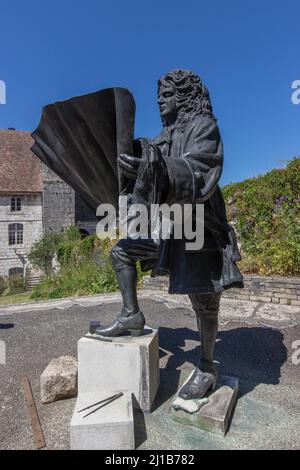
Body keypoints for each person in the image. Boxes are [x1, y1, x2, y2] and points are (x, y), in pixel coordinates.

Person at [90, 70, 243, 400]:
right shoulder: (161, 137)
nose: (160, 99)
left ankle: (206, 366)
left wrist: (156, 166)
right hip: (169, 227)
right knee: (122, 252)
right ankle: (131, 315)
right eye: (158, 94)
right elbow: (146, 166)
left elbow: (201, 170)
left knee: (204, 301)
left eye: (168, 94)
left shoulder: (204, 127)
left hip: (200, 227)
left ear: (185, 97)